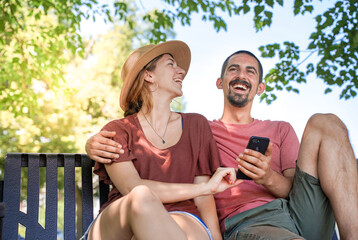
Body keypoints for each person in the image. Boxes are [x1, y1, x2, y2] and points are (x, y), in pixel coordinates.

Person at [86, 49, 358, 240]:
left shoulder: (280, 129)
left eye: (250, 71)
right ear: (220, 82)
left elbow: (293, 190)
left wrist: (267, 177)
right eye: (233, 69)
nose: (242, 75)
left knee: (327, 122)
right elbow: (140, 175)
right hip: (251, 221)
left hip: (298, 212)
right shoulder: (205, 128)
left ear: (260, 87)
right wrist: (92, 142)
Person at [81, 40, 240, 240]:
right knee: (141, 197)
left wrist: (216, 237)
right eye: (170, 64)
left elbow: (203, 198)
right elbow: (132, 188)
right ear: (148, 75)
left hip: (183, 217)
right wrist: (206, 187)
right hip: (121, 222)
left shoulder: (196, 125)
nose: (181, 71)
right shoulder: (117, 131)